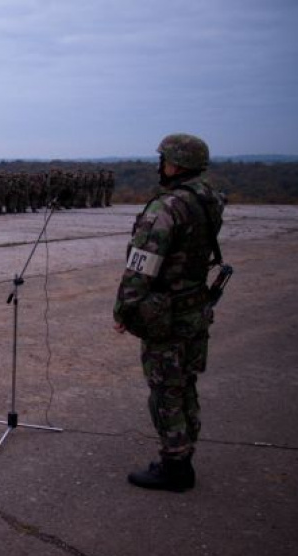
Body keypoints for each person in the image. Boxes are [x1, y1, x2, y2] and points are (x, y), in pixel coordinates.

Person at [113, 133, 226, 492]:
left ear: (176, 164)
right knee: (185, 382)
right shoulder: (209, 199)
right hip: (195, 306)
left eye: (164, 159)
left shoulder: (167, 207)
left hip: (167, 314)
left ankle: (175, 464)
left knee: (166, 389)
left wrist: (124, 309)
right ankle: (184, 453)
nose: (160, 165)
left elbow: (141, 265)